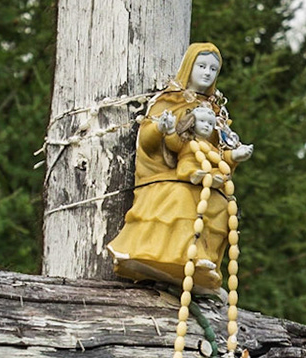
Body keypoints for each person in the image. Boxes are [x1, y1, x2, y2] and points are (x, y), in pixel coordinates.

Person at [107, 42, 252, 289]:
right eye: (201, 66)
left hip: (205, 175)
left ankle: (202, 258)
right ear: (189, 67)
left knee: (221, 205)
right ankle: (165, 253)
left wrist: (234, 156)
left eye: (213, 69)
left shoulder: (215, 112)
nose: (207, 73)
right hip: (168, 175)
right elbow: (149, 141)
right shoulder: (169, 101)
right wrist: (161, 129)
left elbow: (220, 150)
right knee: (182, 197)